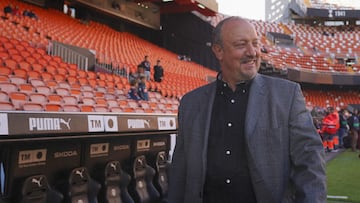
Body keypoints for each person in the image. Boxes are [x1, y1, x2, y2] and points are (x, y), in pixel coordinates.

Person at [167, 17, 326, 203]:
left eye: (255, 43)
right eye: (241, 44)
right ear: (218, 51)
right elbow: (180, 172)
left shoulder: (287, 95)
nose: (252, 52)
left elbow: (310, 161)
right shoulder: (191, 103)